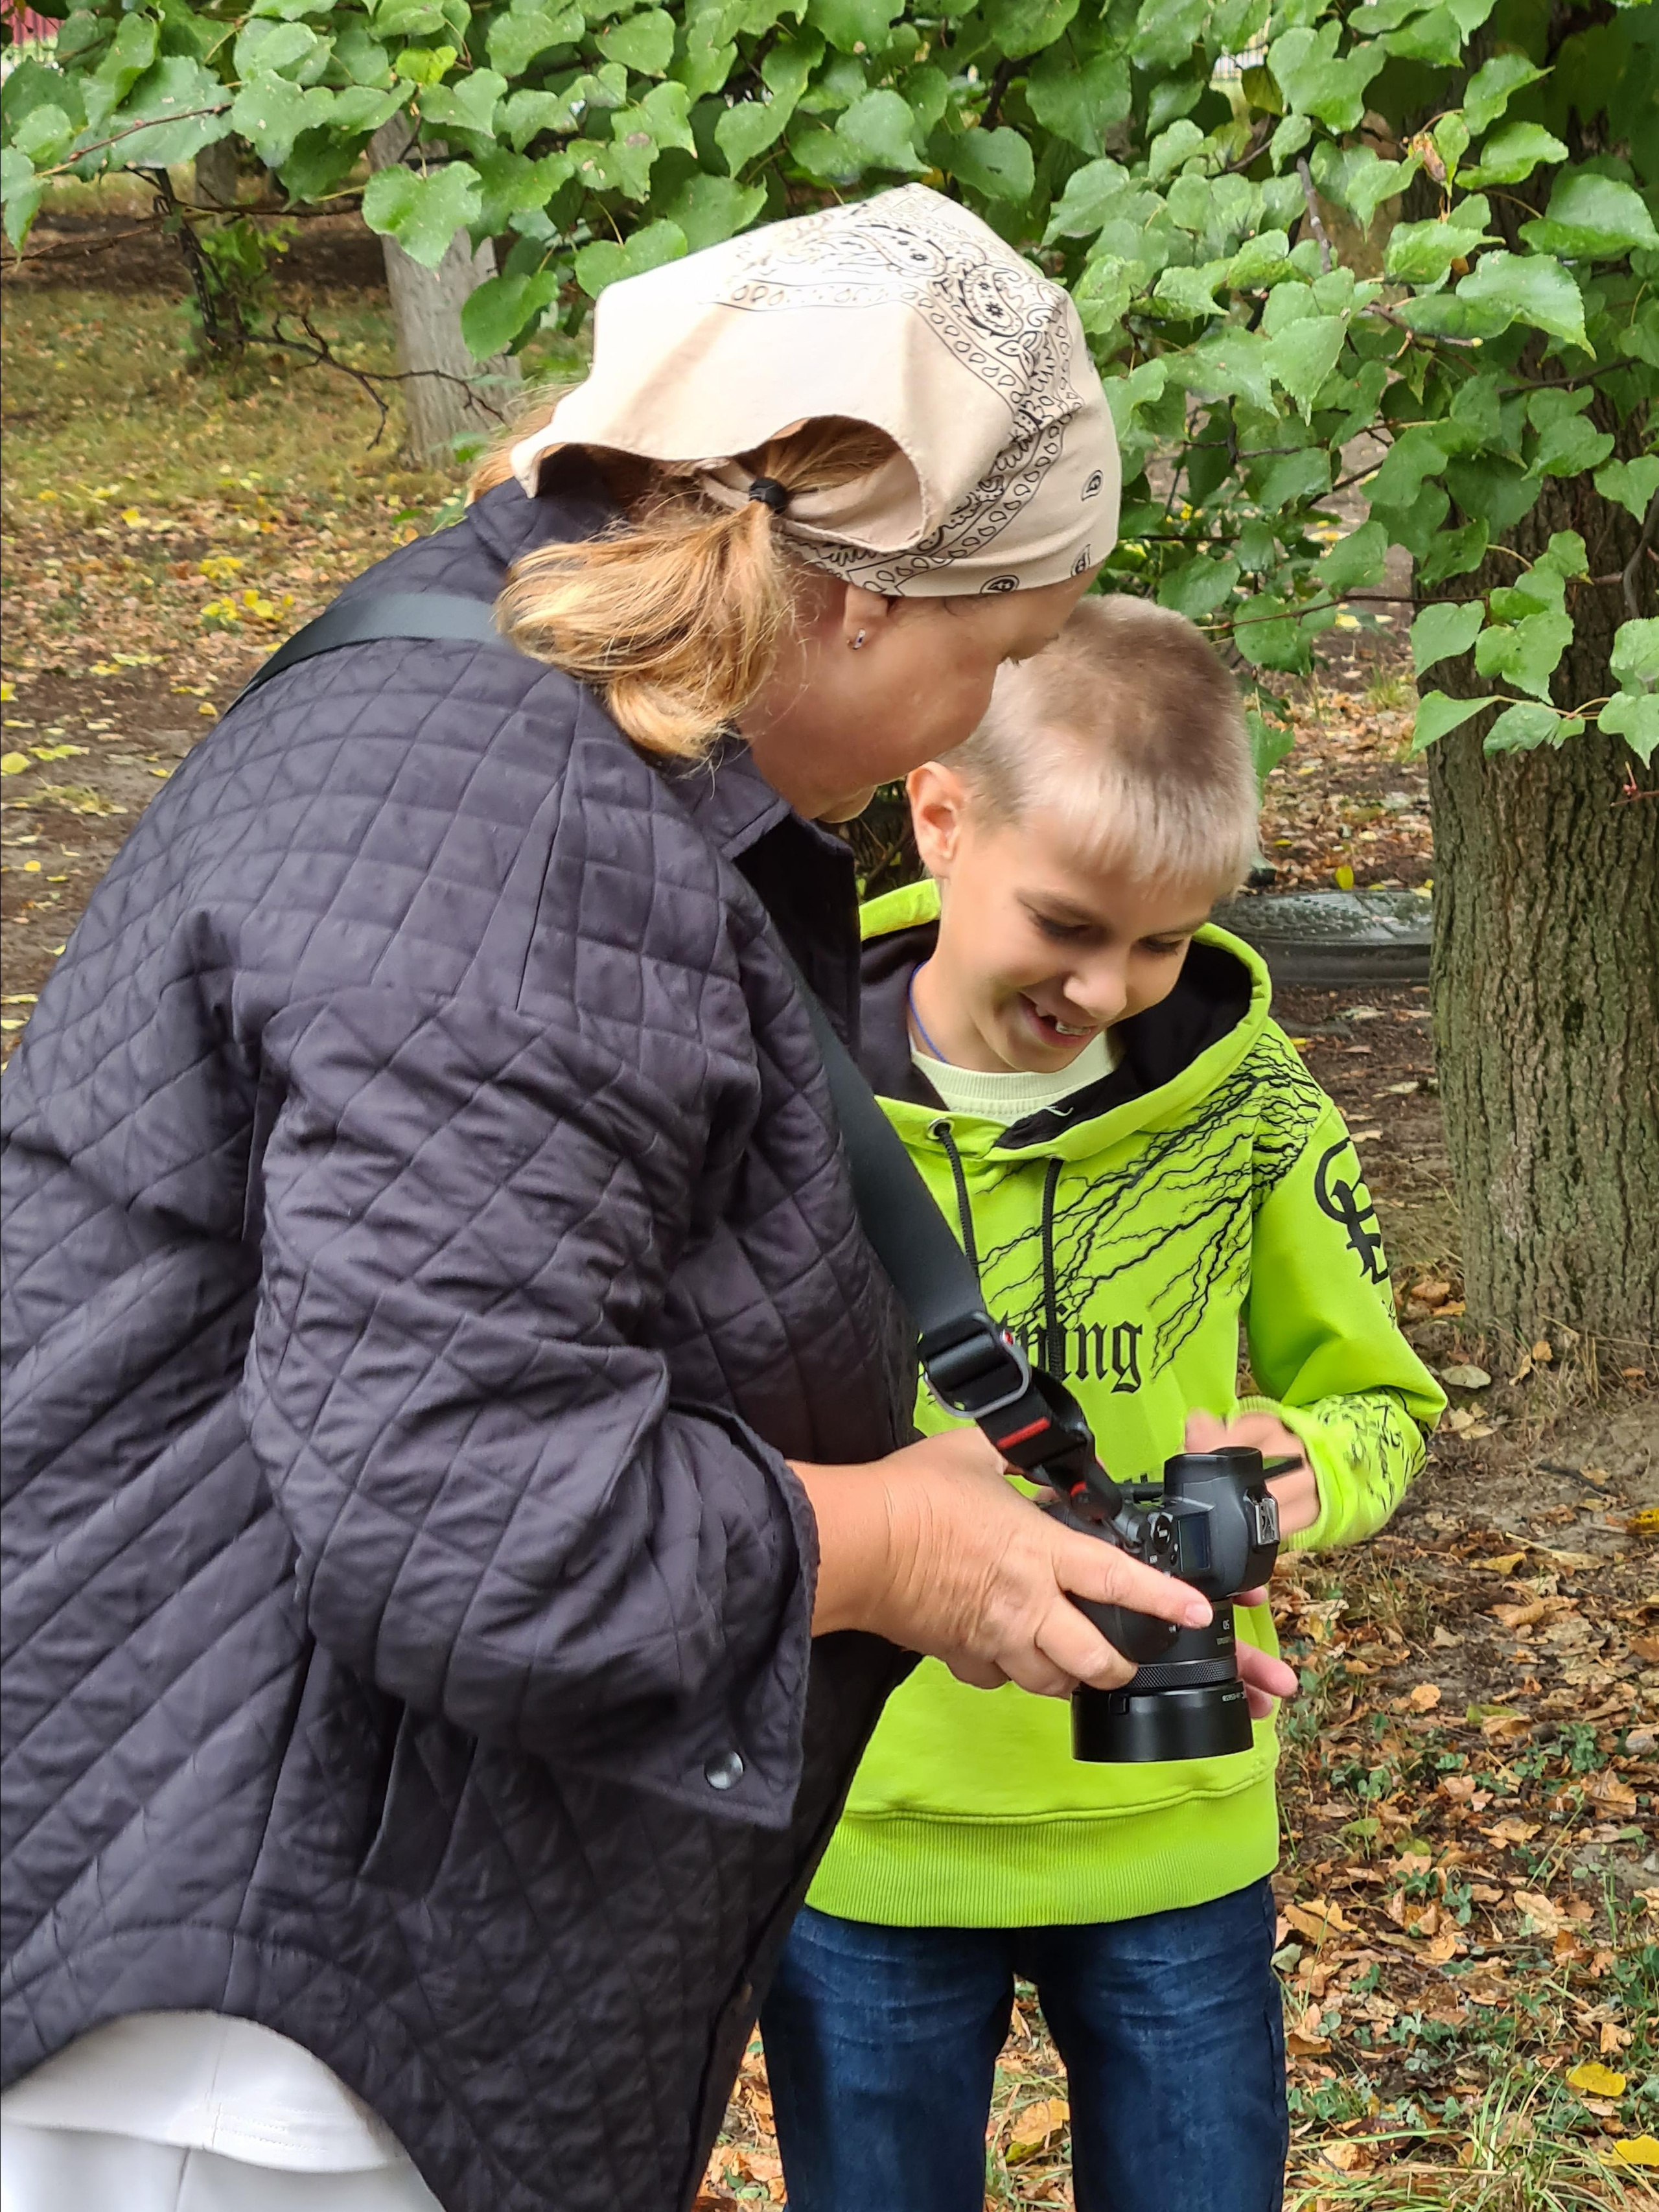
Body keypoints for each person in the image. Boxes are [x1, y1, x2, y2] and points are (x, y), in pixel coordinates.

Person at [0, 189, 1291, 2212]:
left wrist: (975, 1535)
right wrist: (883, 1548)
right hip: (258, 2041)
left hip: (300, 1948)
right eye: (1003, 652)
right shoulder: (515, 824)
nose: (971, 719)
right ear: (867, 596)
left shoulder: (516, 745)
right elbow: (474, 1510)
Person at [761, 594, 1445, 2212]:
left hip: (1171, 1825)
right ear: (936, 814)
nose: (1112, 985)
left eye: (1161, 939)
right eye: (1067, 925)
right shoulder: (774, 1083)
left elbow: (1382, 1402)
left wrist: (1305, 1475)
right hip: (867, 1830)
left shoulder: (1252, 1106)